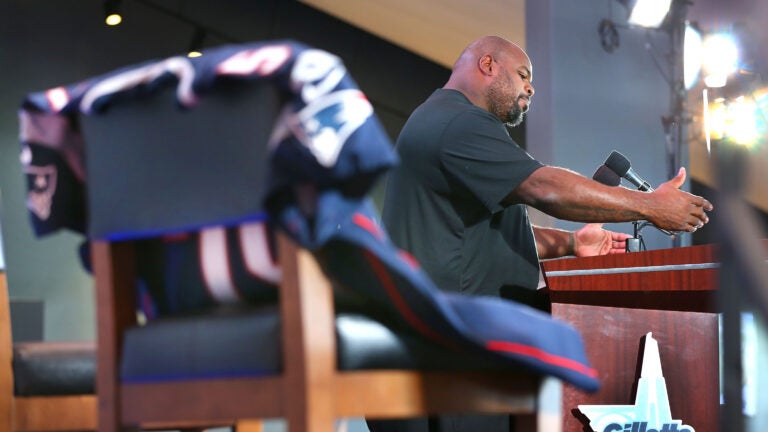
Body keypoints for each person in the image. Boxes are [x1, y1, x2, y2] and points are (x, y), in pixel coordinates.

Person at [366, 35, 712, 432]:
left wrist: (569, 242)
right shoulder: (458, 121)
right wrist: (649, 205)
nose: (531, 87)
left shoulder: (443, 122)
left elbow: (482, 230)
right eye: (523, 74)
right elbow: (545, 187)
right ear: (488, 65)